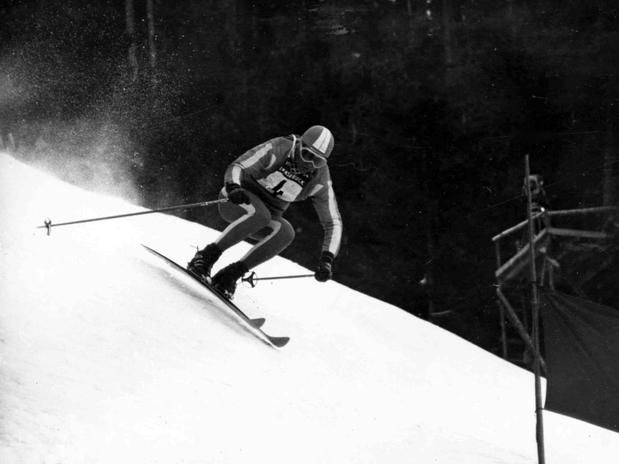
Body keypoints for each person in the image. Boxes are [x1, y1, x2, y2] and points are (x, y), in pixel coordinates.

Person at [188, 125, 343, 298]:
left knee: (286, 233)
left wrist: (327, 259)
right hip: (236, 201)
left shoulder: (320, 178)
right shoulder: (280, 148)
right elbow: (238, 166)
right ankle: (205, 257)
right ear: (299, 145)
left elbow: (333, 222)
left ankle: (229, 276)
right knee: (261, 215)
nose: (309, 164)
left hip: (262, 220)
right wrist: (233, 186)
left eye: (318, 161)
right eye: (306, 155)